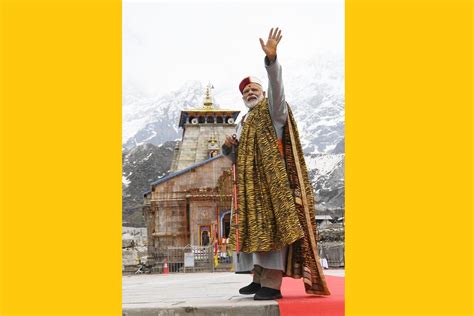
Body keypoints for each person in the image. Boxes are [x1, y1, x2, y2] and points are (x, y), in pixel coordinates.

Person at [222, 27, 331, 300]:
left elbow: (278, 89)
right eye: (246, 90)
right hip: (249, 189)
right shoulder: (244, 122)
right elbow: (236, 159)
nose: (249, 92)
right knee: (254, 233)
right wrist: (228, 149)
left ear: (263, 91)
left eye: (254, 88)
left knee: (271, 233)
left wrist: (271, 62)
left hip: (272, 186)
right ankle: (258, 280)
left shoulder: (273, 110)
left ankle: (272, 285)